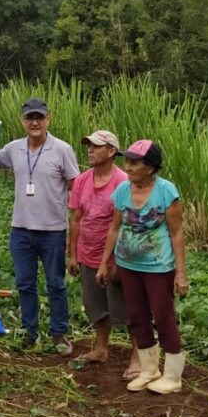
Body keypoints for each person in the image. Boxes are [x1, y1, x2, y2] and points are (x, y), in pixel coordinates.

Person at [97, 140, 188, 394]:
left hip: (158, 267)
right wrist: (105, 263)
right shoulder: (123, 191)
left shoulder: (166, 192)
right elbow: (114, 229)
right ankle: (149, 370)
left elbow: (177, 233)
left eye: (134, 163)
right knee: (136, 317)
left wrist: (181, 274)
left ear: (150, 168)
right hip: (128, 265)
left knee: (163, 317)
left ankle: (172, 376)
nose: (128, 167)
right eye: (127, 162)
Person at [0, 98, 79, 351]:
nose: (35, 122)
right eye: (30, 118)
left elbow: (75, 187)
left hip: (53, 231)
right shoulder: (13, 149)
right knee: (25, 283)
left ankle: (59, 333)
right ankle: (30, 332)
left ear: (48, 120)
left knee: (56, 283)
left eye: (39, 117)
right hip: (20, 229)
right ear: (22, 121)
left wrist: (72, 229)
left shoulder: (62, 149)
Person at [67, 130, 140, 378]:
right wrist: (73, 254)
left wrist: (120, 261)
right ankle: (101, 348)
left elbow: (127, 224)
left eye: (96, 146)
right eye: (88, 145)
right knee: (95, 304)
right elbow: (76, 218)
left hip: (115, 257)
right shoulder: (81, 181)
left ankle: (137, 357)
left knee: (127, 308)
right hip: (88, 254)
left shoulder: (123, 182)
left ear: (111, 152)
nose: (89, 150)